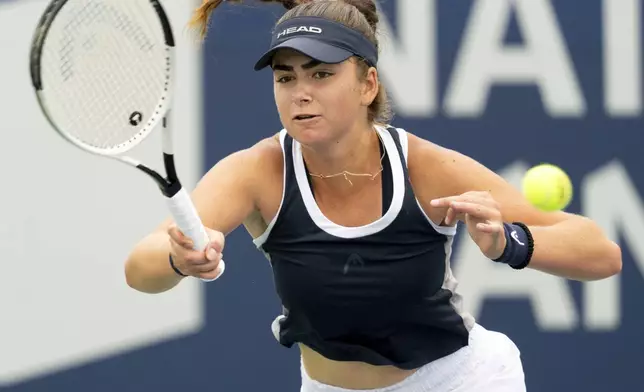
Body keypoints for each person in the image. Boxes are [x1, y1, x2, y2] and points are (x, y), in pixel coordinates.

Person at [124, 0, 623, 391]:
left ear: (367, 85)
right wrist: (177, 257)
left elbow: (601, 252)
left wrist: (511, 243)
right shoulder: (258, 171)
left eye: (321, 74)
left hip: (457, 382)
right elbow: (140, 269)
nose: (300, 93)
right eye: (285, 78)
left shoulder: (427, 167)